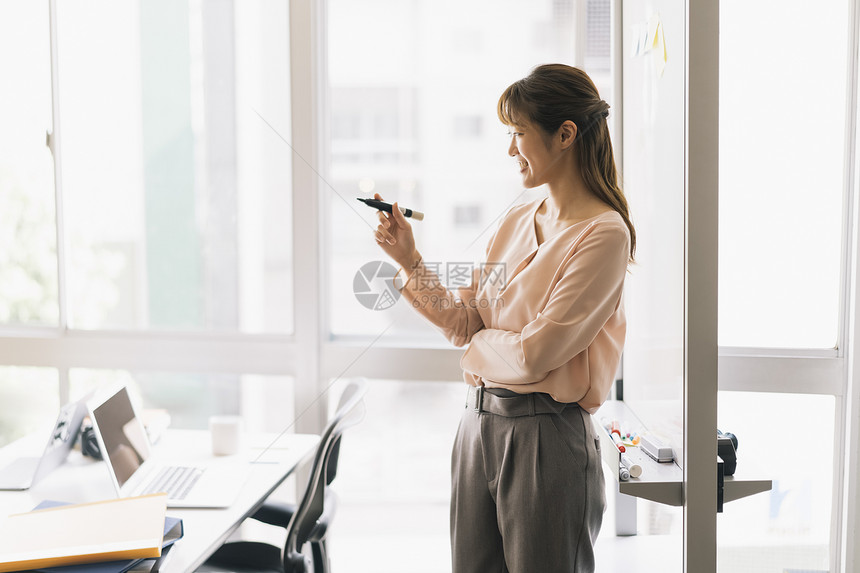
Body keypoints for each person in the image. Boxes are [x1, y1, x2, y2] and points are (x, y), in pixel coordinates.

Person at [371, 63, 635, 573]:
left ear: (564, 135)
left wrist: (480, 345)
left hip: (546, 440)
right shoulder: (517, 217)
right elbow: (463, 321)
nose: (510, 148)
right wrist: (410, 261)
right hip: (476, 427)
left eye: (518, 133)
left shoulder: (604, 235)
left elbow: (539, 354)